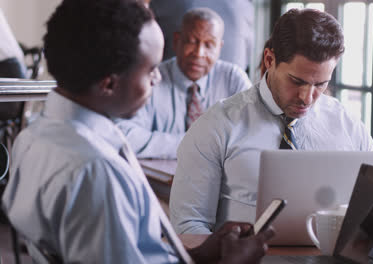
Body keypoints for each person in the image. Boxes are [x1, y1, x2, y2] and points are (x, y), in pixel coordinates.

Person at [1, 0, 273, 263]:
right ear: (109, 84)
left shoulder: (31, 138)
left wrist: (198, 253)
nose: (158, 78)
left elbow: (137, 250)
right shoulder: (98, 173)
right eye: (151, 69)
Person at [170, 8, 373, 234]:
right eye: (297, 81)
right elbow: (187, 226)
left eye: (320, 84)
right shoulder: (217, 126)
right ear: (269, 59)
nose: (307, 98)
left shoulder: (349, 126)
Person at [116, 7, 251, 159]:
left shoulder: (233, 79)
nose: (199, 53)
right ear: (176, 41)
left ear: (219, 48)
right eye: (191, 41)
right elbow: (125, 136)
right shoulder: (152, 78)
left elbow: (252, 132)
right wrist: (195, 144)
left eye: (209, 45)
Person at [149, 0, 254, 71]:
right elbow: (248, 56)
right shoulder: (244, 6)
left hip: (166, 88)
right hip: (233, 94)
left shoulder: (164, 3)